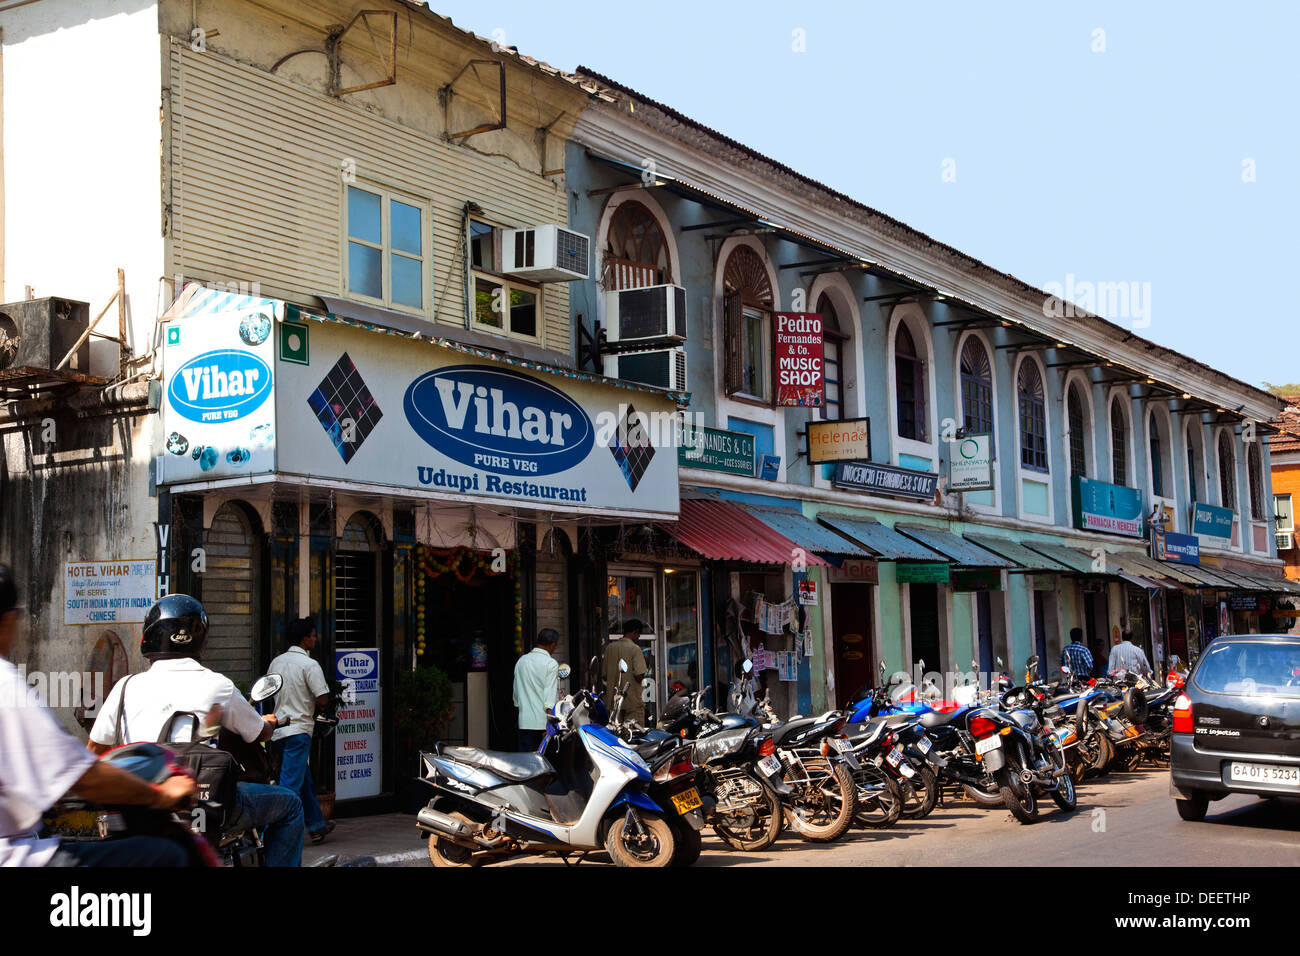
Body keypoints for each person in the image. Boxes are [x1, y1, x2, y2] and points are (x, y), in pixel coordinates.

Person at [0, 563, 197, 867]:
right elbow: (85, 775)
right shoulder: (6, 685)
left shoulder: (126, 685)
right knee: (167, 856)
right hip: (16, 855)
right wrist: (159, 795)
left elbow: (94, 746)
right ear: (8, 619)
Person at [88, 594, 306, 867]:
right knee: (290, 805)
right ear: (200, 637)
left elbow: (93, 750)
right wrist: (270, 724)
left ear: (150, 635)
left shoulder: (124, 687)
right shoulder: (218, 685)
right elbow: (256, 733)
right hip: (202, 803)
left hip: (137, 806)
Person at [267, 618, 334, 845]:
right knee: (289, 789)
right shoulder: (309, 665)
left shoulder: (276, 662)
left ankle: (316, 825)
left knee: (302, 780)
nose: (315, 639)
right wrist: (317, 706)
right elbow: (323, 698)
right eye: (313, 635)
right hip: (298, 731)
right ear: (305, 639)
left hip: (277, 732)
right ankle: (270, 835)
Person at [512, 628, 560, 752]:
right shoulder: (551, 663)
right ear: (552, 645)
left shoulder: (521, 661)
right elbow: (549, 699)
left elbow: (516, 697)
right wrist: (549, 728)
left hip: (524, 723)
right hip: (542, 725)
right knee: (542, 765)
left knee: (526, 764)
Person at [603, 619, 649, 726]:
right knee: (634, 735)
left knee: (615, 736)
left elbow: (604, 676)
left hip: (614, 704)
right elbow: (638, 676)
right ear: (635, 632)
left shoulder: (609, 648)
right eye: (638, 635)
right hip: (632, 703)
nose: (638, 638)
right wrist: (646, 665)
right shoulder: (635, 649)